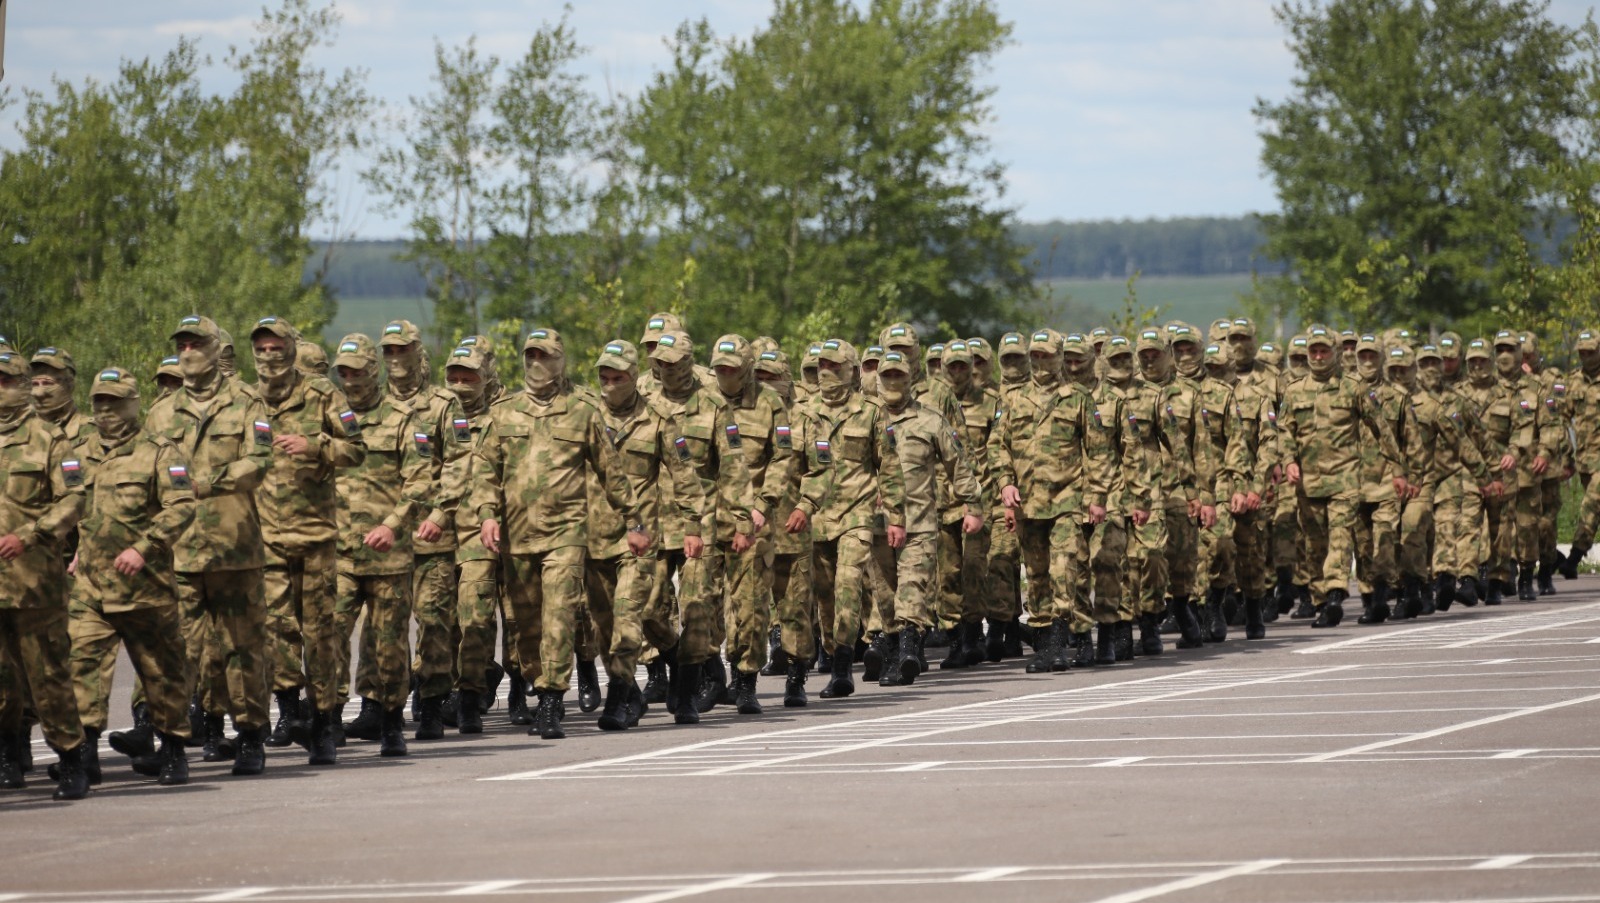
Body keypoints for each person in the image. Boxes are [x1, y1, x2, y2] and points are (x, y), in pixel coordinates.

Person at [473, 328, 649, 739]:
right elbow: (485, 469)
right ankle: (539, 684)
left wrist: (634, 521)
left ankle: (552, 700)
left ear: (560, 360)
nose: (537, 363)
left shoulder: (582, 410)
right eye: (531, 355)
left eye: (545, 356)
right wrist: (487, 514)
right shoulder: (504, 413)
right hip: (517, 536)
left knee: (559, 616)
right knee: (525, 623)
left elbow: (610, 471)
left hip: (565, 534)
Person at [145, 315, 275, 776]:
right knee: (178, 652)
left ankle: (251, 736)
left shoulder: (247, 402)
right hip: (179, 552)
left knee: (243, 650)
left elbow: (260, 461)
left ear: (216, 349)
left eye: (195, 344)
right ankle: (173, 745)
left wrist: (207, 483)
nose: (187, 352)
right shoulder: (161, 412)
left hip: (233, 549)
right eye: (181, 345)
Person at [66, 367, 196, 785]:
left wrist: (144, 548)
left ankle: (172, 751)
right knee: (81, 666)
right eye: (99, 402)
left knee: (161, 673)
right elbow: (68, 506)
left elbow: (182, 506)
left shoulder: (160, 452)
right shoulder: (76, 454)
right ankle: (84, 755)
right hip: (90, 588)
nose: (106, 410)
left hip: (146, 589)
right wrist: (74, 549)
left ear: (133, 404)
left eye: (115, 402)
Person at [250, 316, 366, 766]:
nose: (269, 356)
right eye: (261, 348)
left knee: (319, 634)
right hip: (266, 537)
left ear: (291, 350)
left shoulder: (322, 394)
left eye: (276, 347)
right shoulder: (245, 400)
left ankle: (322, 723)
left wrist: (316, 445)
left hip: (315, 536)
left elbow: (356, 449)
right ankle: (288, 710)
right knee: (276, 630)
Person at [330, 335, 433, 756]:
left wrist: (393, 525)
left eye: (357, 371)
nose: (350, 379)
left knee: (389, 643)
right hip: (339, 552)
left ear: (373, 370)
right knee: (328, 634)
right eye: (343, 372)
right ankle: (328, 720)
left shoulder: (402, 420)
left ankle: (391, 721)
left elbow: (421, 480)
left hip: (388, 556)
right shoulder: (330, 419)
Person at [0, 349, 89, 799]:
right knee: (2, 682)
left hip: (33, 582)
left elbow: (73, 499)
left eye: (5, 381)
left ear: (22, 387)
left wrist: (30, 535)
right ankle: (8, 755)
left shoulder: (50, 439)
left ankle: (71, 759)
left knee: (48, 677)